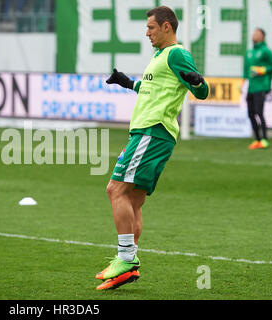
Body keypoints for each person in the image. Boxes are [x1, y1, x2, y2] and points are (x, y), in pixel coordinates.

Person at [96, 6, 209, 290]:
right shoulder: (160, 56)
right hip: (151, 133)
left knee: (115, 190)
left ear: (167, 27)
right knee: (133, 201)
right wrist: (127, 83)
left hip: (152, 131)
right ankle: (127, 267)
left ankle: (126, 258)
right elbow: (153, 90)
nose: (147, 32)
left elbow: (201, 91)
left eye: (151, 27)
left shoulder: (176, 53)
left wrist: (198, 82)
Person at [244, 28, 272, 150]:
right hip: (251, 87)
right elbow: (246, 69)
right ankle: (257, 139)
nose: (254, 35)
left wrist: (262, 70)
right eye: (254, 33)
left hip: (261, 86)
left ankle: (265, 140)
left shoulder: (266, 51)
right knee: (250, 114)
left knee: (259, 112)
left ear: (262, 37)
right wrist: (243, 82)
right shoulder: (249, 52)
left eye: (257, 33)